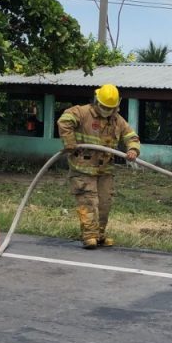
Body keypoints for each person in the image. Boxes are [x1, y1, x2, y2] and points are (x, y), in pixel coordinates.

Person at [56, 83, 140, 249]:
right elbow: (64, 121)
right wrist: (69, 142)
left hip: (105, 171)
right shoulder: (82, 112)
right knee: (88, 202)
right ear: (96, 101)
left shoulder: (117, 120)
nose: (106, 110)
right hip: (83, 169)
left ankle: (99, 234)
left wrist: (133, 150)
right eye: (103, 106)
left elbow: (131, 136)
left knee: (104, 204)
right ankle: (89, 236)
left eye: (110, 107)